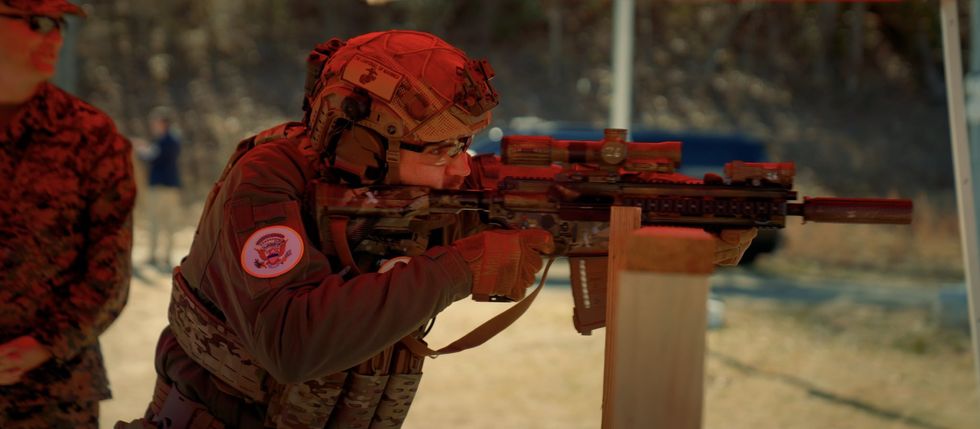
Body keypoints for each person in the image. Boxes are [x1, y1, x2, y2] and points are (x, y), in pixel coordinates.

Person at [121, 30, 754, 429]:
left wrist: (683, 223)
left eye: (466, 145)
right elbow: (291, 344)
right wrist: (459, 269)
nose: (461, 166)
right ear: (366, 143)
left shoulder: (431, 189)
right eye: (444, 148)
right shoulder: (268, 178)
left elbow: (567, 218)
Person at [0, 1, 137, 428]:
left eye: (60, 24)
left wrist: (42, 345)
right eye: (38, 22)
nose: (56, 37)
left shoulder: (91, 136)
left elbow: (109, 275)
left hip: (53, 396)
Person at [136, 107, 183, 271]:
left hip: (160, 188)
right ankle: (164, 255)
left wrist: (142, 150)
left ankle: (155, 256)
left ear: (162, 123)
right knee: (167, 223)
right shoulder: (173, 139)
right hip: (170, 187)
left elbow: (152, 157)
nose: (153, 126)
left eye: (155, 123)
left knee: (156, 222)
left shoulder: (166, 140)